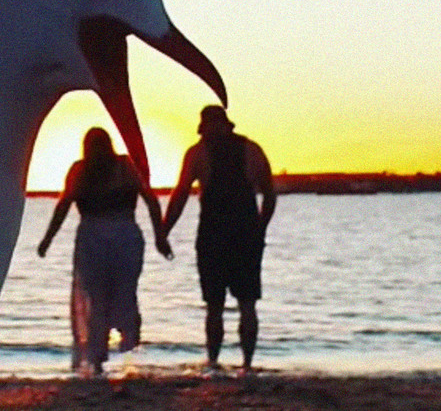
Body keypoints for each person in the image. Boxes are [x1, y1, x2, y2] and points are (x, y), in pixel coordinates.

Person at [37, 127, 172, 375]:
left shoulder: (110, 168)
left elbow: (64, 205)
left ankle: (103, 354)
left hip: (107, 237)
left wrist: (160, 237)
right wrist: (159, 237)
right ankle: (110, 347)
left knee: (102, 297)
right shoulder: (112, 168)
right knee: (111, 294)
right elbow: (150, 200)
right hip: (114, 237)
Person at [163, 106, 276, 374]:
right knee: (226, 304)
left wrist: (260, 229)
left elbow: (180, 195)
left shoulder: (202, 153)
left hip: (223, 233)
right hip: (233, 233)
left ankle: (236, 363)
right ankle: (224, 363)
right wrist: (163, 231)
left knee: (234, 304)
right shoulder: (249, 150)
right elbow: (269, 194)